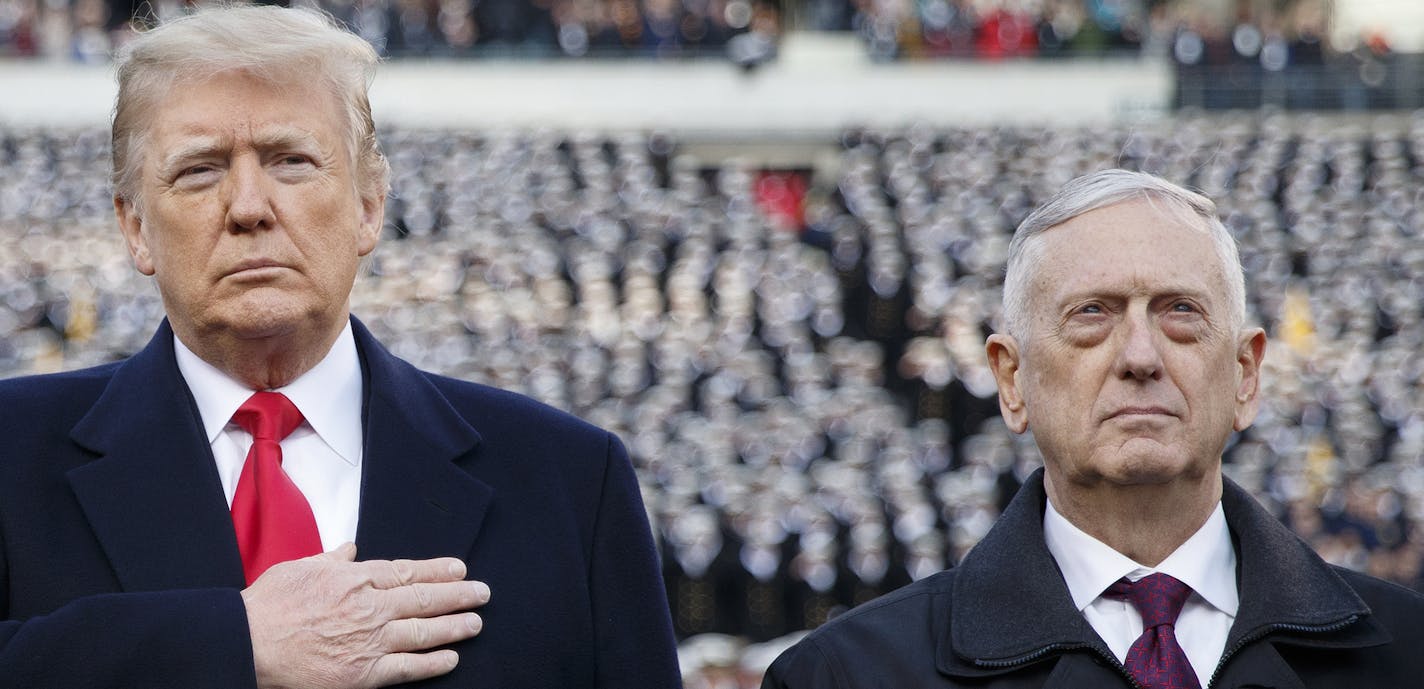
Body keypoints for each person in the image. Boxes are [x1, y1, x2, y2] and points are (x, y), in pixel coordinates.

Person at [0, 6, 679, 688]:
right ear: (135, 227)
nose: (248, 206)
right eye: (200, 170)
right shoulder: (10, 454)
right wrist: (236, 641)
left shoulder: (568, 482)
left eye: (290, 161)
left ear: (368, 206)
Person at [761, 169, 1424, 688]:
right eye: (1092, 314)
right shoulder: (848, 674)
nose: (1140, 356)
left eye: (1181, 312)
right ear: (1011, 380)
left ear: (1246, 374)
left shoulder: (1408, 653)